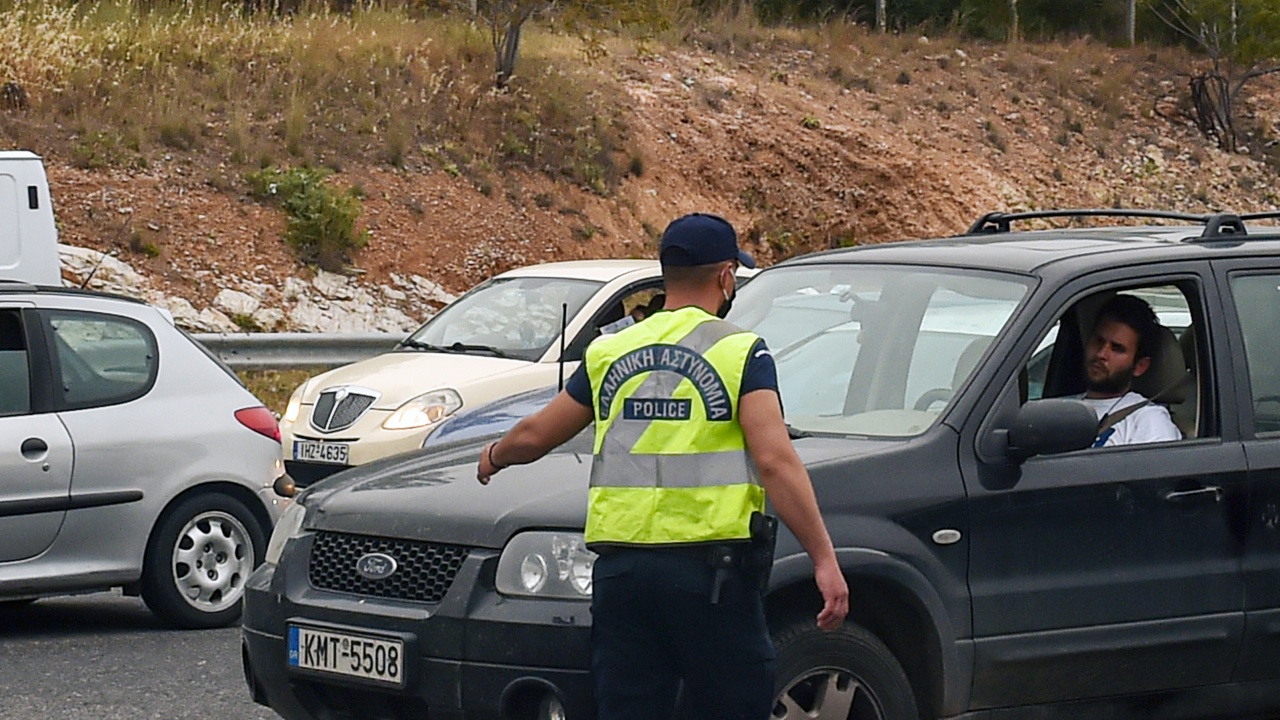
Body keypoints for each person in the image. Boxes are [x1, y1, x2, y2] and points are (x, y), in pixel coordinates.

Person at [476, 212, 848, 720]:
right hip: (710, 576)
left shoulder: (611, 350)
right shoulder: (740, 351)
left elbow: (537, 434)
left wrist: (494, 456)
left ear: (666, 275)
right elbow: (776, 462)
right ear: (724, 276)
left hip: (622, 576)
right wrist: (824, 561)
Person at [1077, 294, 1182, 447]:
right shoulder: (1058, 408)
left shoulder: (1148, 419)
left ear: (1140, 366)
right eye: (1099, 341)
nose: (1101, 354)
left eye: (1117, 349)